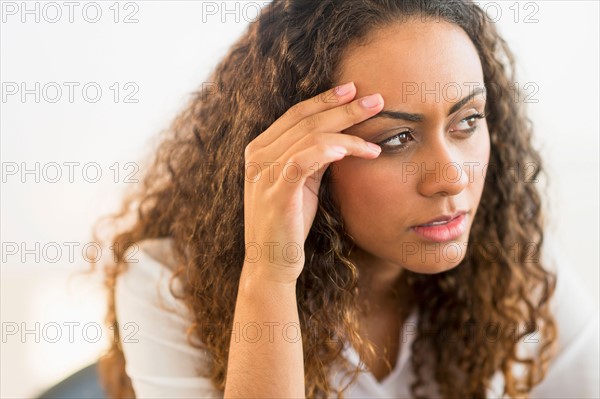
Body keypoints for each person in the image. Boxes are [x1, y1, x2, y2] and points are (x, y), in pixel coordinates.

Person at [94, 1, 600, 398]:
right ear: (301, 156)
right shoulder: (164, 285)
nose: (451, 177)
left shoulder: (516, 264)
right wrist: (269, 274)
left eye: (467, 121)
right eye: (395, 139)